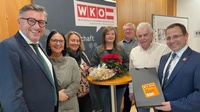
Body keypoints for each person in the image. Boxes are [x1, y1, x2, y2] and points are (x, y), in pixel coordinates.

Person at [0, 4, 58, 112]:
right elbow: (12, 97)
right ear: (19, 22)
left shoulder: (38, 45)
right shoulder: (8, 47)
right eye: (31, 20)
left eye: (41, 22)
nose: (36, 27)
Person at [155, 23, 200, 112]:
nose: (171, 41)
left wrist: (173, 105)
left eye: (176, 36)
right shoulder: (164, 58)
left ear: (186, 36)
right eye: (168, 38)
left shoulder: (197, 59)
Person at [128, 22, 170, 112]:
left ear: (152, 35)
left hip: (159, 92)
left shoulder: (163, 49)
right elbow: (131, 73)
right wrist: (131, 90)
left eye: (145, 35)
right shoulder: (133, 52)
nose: (142, 38)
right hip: (140, 92)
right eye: (140, 36)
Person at [90, 26, 129, 112]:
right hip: (104, 85)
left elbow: (127, 62)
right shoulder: (98, 50)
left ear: (115, 36)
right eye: (108, 34)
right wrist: (103, 72)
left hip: (120, 84)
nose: (110, 36)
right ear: (104, 36)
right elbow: (93, 65)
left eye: (112, 34)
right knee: (106, 107)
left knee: (117, 107)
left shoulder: (121, 48)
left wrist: (120, 68)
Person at [46, 30, 81, 112]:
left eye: (61, 41)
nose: (58, 44)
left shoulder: (71, 62)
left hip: (69, 106)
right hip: (50, 105)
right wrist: (55, 96)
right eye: (54, 40)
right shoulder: (44, 62)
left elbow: (76, 82)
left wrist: (65, 94)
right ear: (48, 44)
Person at [65, 31, 92, 112]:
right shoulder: (63, 56)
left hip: (85, 95)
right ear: (67, 41)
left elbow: (88, 68)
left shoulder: (83, 54)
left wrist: (90, 70)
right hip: (71, 98)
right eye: (73, 40)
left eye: (78, 41)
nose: (76, 43)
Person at [118, 23, 138, 112]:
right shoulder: (118, 45)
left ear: (134, 31)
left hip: (136, 74)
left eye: (130, 29)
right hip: (123, 75)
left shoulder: (139, 42)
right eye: (125, 30)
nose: (127, 31)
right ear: (123, 32)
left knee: (137, 98)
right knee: (126, 97)